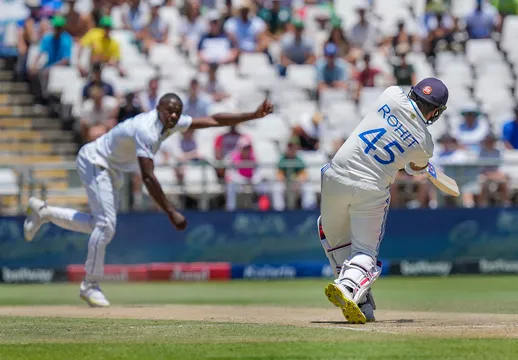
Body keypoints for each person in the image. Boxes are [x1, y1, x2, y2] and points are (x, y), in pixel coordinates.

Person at [23, 94, 274, 307]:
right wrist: (171, 211)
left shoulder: (170, 123)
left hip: (112, 169)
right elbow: (148, 177)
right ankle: (89, 284)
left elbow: (213, 120)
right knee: (105, 226)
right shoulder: (147, 130)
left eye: (177, 113)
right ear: (158, 110)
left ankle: (44, 212)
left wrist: (251, 115)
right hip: (94, 161)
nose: (174, 117)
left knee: (98, 226)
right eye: (169, 112)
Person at [319, 78, 448, 323]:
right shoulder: (425, 143)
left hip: (336, 176)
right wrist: (423, 162)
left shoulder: (391, 95)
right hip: (371, 188)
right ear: (435, 112)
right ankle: (348, 286)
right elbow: (414, 167)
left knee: (330, 234)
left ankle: (363, 301)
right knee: (365, 252)